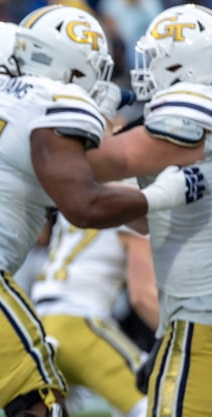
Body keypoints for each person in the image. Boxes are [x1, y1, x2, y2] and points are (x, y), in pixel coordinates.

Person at [0, 6, 204, 417]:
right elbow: (85, 204)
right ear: (73, 66)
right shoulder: (54, 102)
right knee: (41, 404)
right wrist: (167, 192)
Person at [86, 4, 212, 415]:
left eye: (156, 60)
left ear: (186, 65)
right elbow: (148, 221)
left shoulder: (190, 105)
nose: (146, 71)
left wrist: (88, 117)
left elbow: (101, 163)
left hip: (200, 315)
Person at [30, 208, 157, 417]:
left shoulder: (81, 194)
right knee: (158, 398)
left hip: (38, 325)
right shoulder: (131, 201)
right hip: (79, 324)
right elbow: (143, 297)